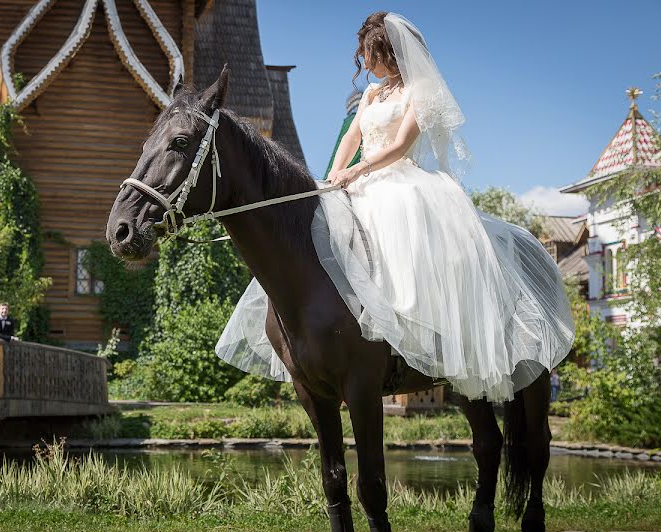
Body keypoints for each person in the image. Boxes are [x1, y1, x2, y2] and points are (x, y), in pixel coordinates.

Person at [217, 12, 574, 402]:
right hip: (359, 178)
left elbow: (402, 144)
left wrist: (360, 171)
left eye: (371, 54)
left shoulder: (421, 93)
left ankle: (414, 337)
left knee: (407, 249)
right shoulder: (372, 93)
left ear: (391, 52)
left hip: (401, 181)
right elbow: (352, 137)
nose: (365, 63)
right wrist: (335, 175)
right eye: (364, 55)